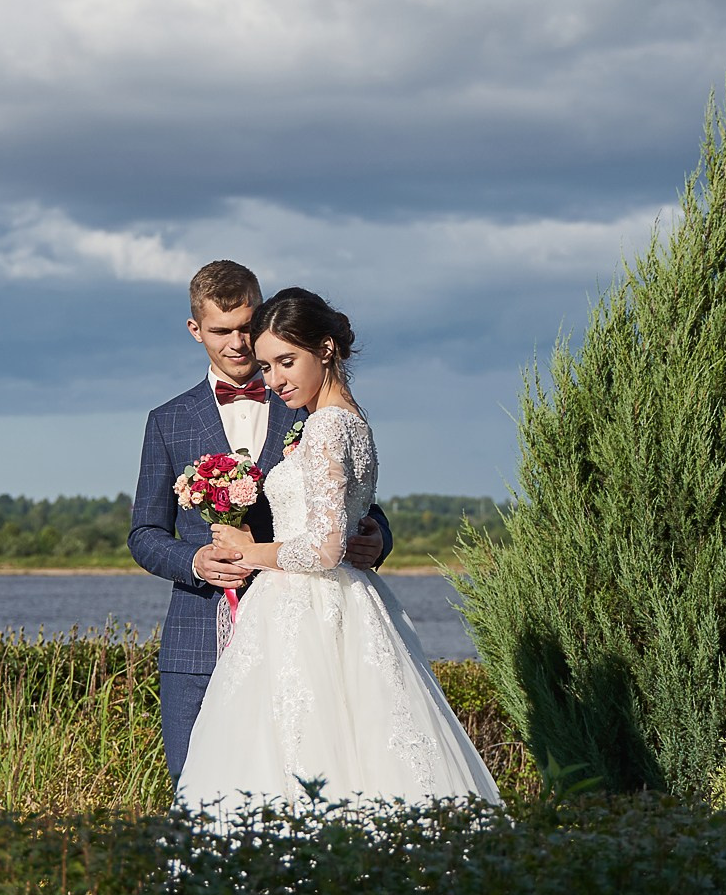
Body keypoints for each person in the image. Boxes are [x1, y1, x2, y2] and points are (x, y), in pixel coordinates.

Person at [175, 287, 499, 812]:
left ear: (325, 349)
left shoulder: (324, 427)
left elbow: (325, 548)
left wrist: (247, 549)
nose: (275, 379)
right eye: (267, 365)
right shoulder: (352, 420)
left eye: (286, 362)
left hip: (305, 608)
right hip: (349, 600)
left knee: (299, 753)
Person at [130, 260, 394, 781]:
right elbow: (144, 534)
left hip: (308, 638)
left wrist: (378, 537)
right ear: (195, 329)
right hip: (199, 642)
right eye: (220, 331)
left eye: (246, 328)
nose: (237, 344)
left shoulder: (308, 400)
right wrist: (197, 561)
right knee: (201, 798)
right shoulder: (167, 421)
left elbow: (356, 502)